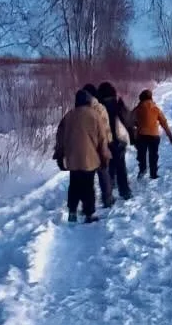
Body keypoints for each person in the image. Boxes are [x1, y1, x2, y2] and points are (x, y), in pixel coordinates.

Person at [54, 89, 110, 222]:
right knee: (88, 186)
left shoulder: (68, 116)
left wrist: (59, 156)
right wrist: (104, 157)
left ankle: (72, 212)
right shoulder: (95, 116)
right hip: (90, 159)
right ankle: (89, 214)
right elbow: (103, 139)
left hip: (72, 159)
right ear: (88, 101)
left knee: (74, 184)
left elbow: (60, 138)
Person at [95, 80, 134, 202]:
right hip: (118, 140)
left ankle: (110, 188)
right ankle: (125, 191)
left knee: (108, 165)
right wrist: (132, 136)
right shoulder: (118, 104)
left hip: (105, 141)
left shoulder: (97, 107)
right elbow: (127, 120)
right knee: (121, 166)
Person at [130, 89, 172, 180]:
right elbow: (164, 123)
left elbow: (130, 120)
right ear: (150, 97)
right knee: (153, 155)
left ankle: (142, 170)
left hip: (141, 136)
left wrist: (136, 125)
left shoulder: (137, 109)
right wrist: (170, 136)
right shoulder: (156, 109)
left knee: (141, 154)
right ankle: (153, 173)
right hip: (154, 136)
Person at [82, 85, 115, 209]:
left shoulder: (80, 110)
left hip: (86, 147)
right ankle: (108, 200)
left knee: (87, 177)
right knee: (104, 173)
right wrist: (108, 142)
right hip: (100, 145)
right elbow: (106, 127)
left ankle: (88, 206)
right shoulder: (100, 108)